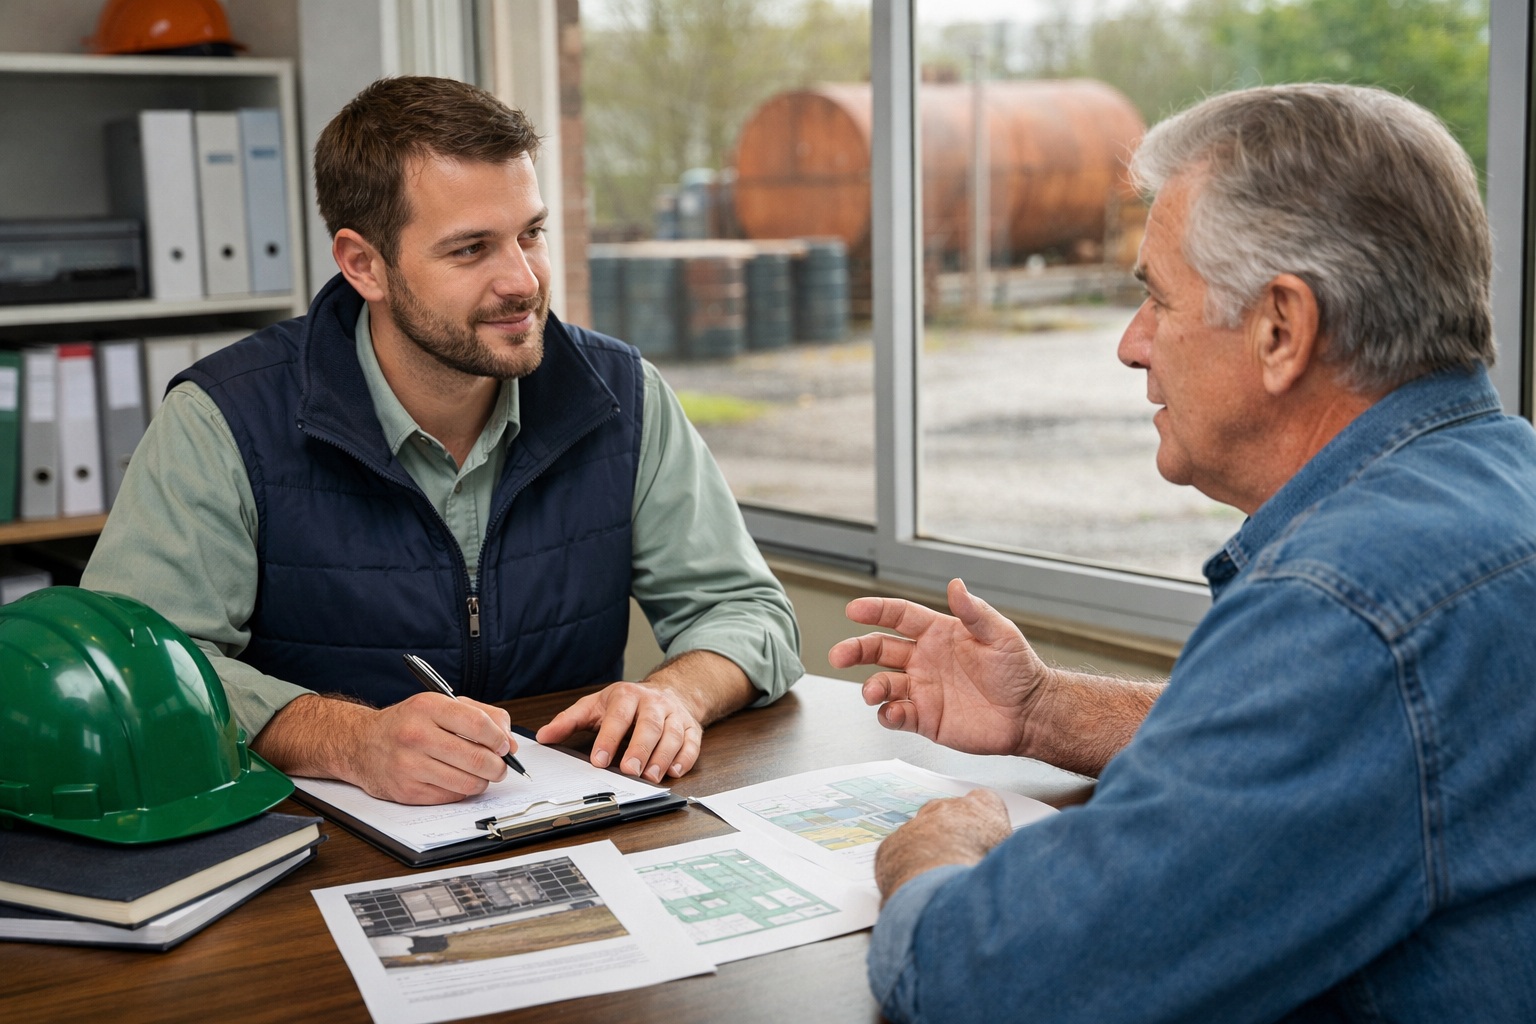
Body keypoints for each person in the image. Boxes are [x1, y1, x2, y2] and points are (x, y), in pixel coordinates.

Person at [830, 83, 1536, 1022]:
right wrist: (1042, 709)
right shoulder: (1501, 486)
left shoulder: (1349, 606)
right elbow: (1359, 748)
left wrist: (931, 855)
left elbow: (995, 982)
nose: (1132, 346)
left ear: (1281, 328)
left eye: (1158, 299)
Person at [83, 76, 802, 806]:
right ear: (364, 265)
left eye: (531, 233)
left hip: (565, 825)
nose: (522, 281)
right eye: (470, 250)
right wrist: (346, 740)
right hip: (311, 852)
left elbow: (746, 611)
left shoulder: (621, 394)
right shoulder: (223, 419)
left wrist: (676, 694)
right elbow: (134, 666)